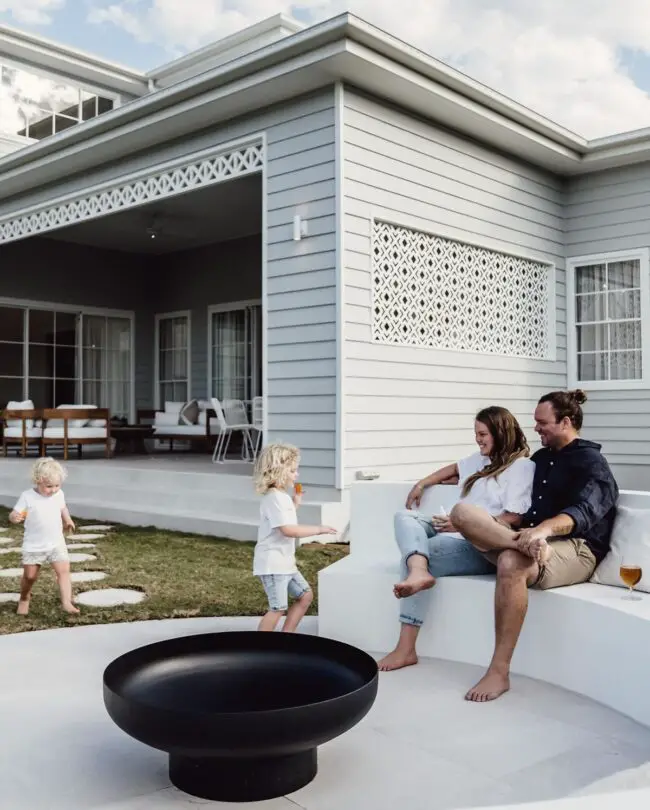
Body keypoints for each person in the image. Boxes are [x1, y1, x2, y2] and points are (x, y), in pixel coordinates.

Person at [450, 389, 618, 703]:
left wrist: (542, 531)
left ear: (566, 421)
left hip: (576, 548)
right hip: (530, 541)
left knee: (510, 564)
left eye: (542, 423)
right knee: (462, 513)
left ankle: (499, 670)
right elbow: (499, 475)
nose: (536, 428)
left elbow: (583, 513)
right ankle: (522, 545)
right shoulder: (540, 459)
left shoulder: (592, 463)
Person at [378, 406, 535, 673]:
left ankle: (406, 649)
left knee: (425, 550)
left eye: (483, 434)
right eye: (476, 433)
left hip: (484, 544)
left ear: (500, 432)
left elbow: (513, 518)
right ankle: (418, 571)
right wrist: (422, 484)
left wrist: (466, 525)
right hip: (455, 529)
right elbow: (453, 469)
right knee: (405, 517)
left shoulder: (521, 467)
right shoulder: (482, 460)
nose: (478, 439)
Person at [253, 442, 337, 632]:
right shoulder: (274, 498)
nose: (296, 474)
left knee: (305, 596)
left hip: (284, 563)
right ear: (278, 471)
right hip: (273, 563)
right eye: (292, 471)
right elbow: (288, 530)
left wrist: (295, 503)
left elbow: (284, 518)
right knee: (277, 607)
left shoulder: (280, 497)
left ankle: (287, 637)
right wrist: (318, 529)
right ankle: (260, 647)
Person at [9, 457, 78, 617]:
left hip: (56, 542)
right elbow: (15, 513)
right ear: (38, 481)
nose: (53, 489)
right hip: (34, 545)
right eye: (49, 486)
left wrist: (67, 520)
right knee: (30, 576)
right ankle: (25, 597)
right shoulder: (27, 496)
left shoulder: (58, 494)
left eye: (57, 485)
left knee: (64, 572)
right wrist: (15, 517)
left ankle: (67, 602)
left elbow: (62, 507)